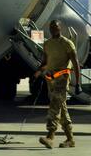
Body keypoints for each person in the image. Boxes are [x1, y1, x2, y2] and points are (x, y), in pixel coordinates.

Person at [34, 20, 81, 149]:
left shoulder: (67, 43)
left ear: (61, 28)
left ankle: (50, 136)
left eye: (56, 27)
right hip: (51, 80)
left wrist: (78, 83)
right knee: (62, 109)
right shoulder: (47, 44)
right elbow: (45, 62)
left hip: (62, 79)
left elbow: (76, 63)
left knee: (54, 106)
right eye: (52, 27)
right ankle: (70, 139)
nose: (54, 29)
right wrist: (38, 72)